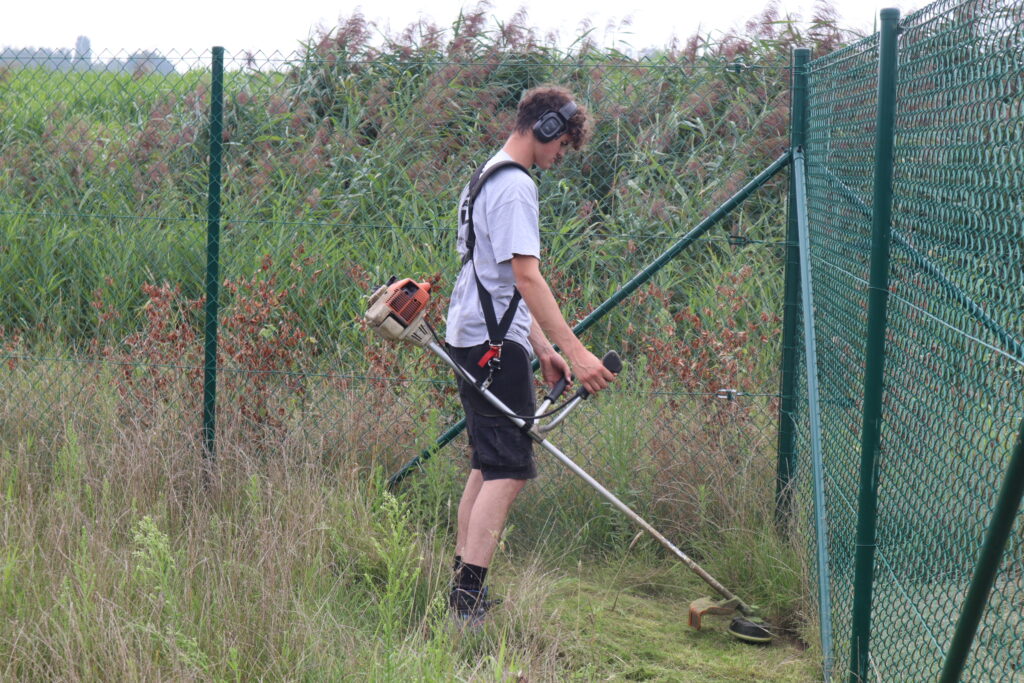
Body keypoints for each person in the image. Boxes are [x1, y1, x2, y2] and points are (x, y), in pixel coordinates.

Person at [444, 85, 617, 624]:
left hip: (479, 336)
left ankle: (462, 587)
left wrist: (540, 347)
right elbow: (525, 276)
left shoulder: (487, 174)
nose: (561, 154)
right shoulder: (516, 186)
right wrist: (579, 352)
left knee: (487, 463)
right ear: (543, 128)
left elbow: (493, 277)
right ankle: (466, 605)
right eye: (561, 142)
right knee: (509, 470)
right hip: (491, 346)